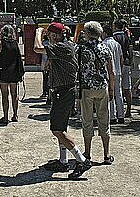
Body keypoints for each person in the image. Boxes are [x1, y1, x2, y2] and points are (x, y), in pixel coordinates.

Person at [34, 22, 90, 180]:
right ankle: (63, 161)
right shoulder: (65, 46)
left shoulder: (62, 46)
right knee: (61, 129)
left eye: (49, 35)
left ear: (54, 35)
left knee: (57, 131)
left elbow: (37, 48)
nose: (48, 38)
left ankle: (82, 160)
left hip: (64, 92)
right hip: (63, 91)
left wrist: (38, 33)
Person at [78, 21, 115, 170]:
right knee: (104, 120)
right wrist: (111, 90)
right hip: (102, 87)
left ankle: (87, 153)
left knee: (87, 121)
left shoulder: (81, 49)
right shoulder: (105, 48)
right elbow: (111, 73)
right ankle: (106, 154)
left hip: (87, 88)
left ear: (87, 33)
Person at [0, 24, 24, 125]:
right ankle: (15, 115)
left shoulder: (0, 43)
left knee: (5, 95)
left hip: (3, 72)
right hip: (14, 72)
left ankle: (5, 117)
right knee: (14, 95)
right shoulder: (15, 43)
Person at [102, 24, 124, 124]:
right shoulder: (117, 44)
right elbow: (121, 59)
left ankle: (112, 116)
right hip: (118, 71)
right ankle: (121, 115)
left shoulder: (103, 44)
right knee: (118, 94)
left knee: (109, 94)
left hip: (108, 72)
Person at [112, 19, 133, 118]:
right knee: (127, 88)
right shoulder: (127, 36)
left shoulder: (114, 38)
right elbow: (130, 50)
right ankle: (128, 110)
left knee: (117, 89)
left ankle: (118, 111)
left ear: (115, 26)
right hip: (127, 63)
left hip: (118, 64)